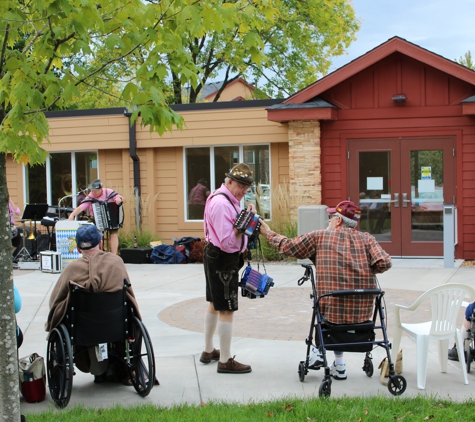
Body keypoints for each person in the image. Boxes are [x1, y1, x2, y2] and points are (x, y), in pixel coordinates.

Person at [259, 200, 392, 380]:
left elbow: (288, 247)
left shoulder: (320, 237)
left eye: (331, 217)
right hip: (362, 313)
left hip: (332, 311)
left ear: (338, 221)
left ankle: (317, 352)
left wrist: (268, 232)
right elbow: (384, 262)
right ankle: (339, 364)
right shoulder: (367, 239)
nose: (328, 221)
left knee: (326, 304)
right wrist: (366, 270)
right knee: (336, 304)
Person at [45, 224, 141, 384]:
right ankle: (118, 368)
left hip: (81, 332)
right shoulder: (117, 263)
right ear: (101, 244)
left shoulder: (71, 269)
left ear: (78, 248)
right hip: (116, 327)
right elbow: (129, 294)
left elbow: (55, 301)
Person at [201, 163, 256, 374]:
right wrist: (246, 223)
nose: (244, 191)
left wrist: (246, 216)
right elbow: (226, 240)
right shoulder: (223, 204)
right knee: (227, 307)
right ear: (229, 181)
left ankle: (208, 351)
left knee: (214, 303)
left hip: (215, 255)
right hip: (223, 257)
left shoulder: (224, 198)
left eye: (247, 187)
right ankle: (225, 360)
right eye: (241, 186)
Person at [68, 179, 123, 255]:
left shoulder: (108, 192)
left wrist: (119, 199)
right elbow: (82, 207)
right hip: (96, 218)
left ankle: (114, 255)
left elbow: (123, 199)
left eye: (95, 191)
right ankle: (97, 254)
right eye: (92, 190)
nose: (93, 192)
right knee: (91, 232)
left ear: (101, 189)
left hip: (110, 217)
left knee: (113, 233)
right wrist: (72, 214)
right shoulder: (90, 196)